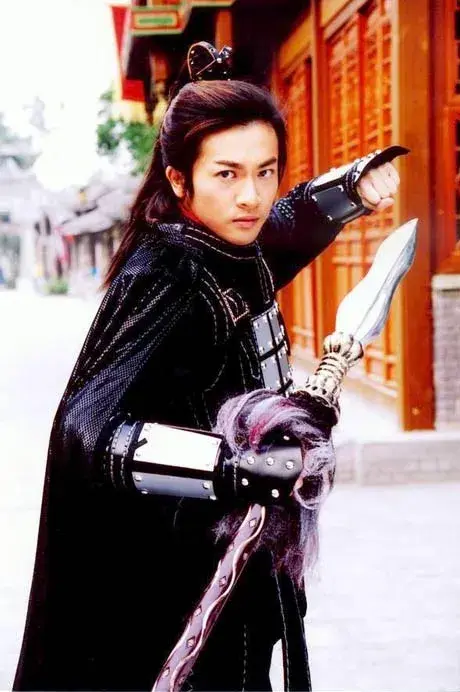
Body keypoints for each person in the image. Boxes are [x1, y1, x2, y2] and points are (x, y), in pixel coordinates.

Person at [14, 42, 401, 692]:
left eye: (265, 171)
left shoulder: (229, 245)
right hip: (175, 577)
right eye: (226, 174)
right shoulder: (166, 275)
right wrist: (236, 466)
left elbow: (282, 228)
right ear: (179, 180)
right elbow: (87, 432)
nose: (251, 196)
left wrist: (350, 189)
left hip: (236, 558)